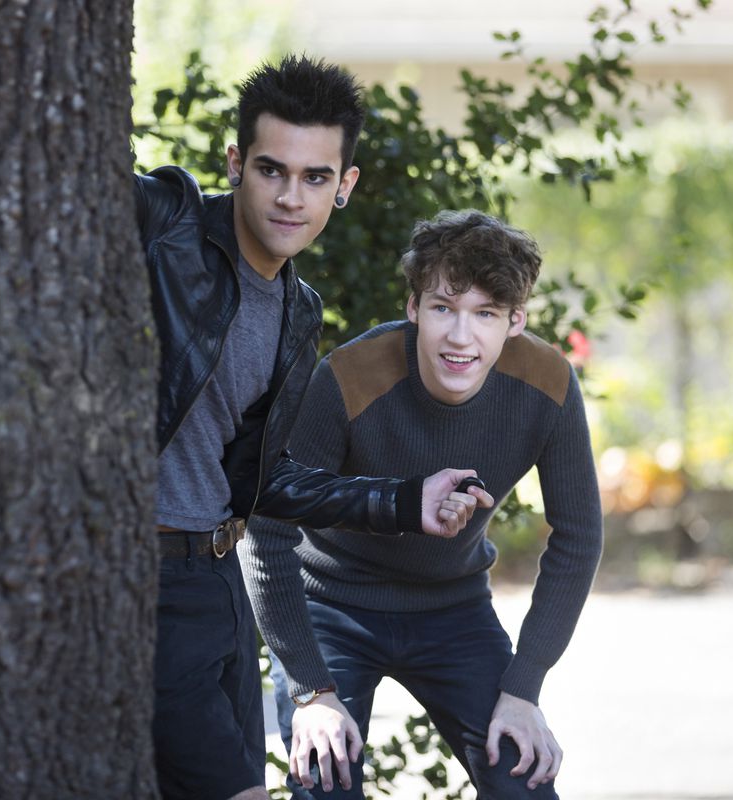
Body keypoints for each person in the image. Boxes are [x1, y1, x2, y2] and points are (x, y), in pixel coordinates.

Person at [134, 57, 490, 800]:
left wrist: (404, 502)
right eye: (271, 170)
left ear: (344, 185)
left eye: (315, 177)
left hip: (220, 583)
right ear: (235, 163)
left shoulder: (298, 310)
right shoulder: (167, 226)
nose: (291, 197)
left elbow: (262, 480)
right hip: (147, 576)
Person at [241, 209, 604, 799]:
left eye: (485, 313)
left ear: (516, 320)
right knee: (325, 777)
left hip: (453, 610)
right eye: (443, 308)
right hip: (330, 606)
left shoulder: (548, 384)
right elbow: (266, 526)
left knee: (524, 781)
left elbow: (579, 537)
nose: (460, 336)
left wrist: (523, 687)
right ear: (413, 308)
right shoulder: (349, 377)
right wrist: (310, 690)